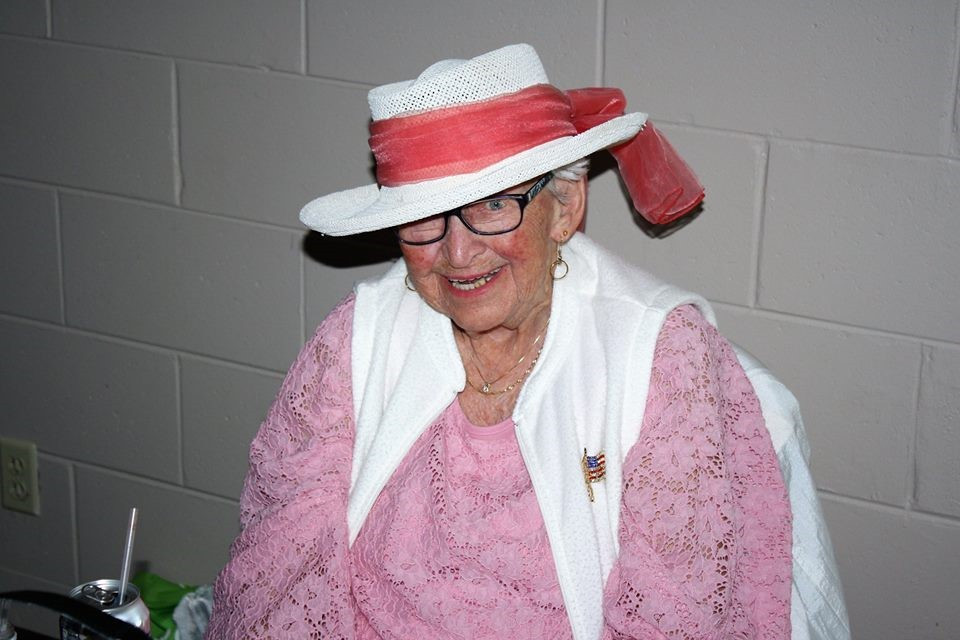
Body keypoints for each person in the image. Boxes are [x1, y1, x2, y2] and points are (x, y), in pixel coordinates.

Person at [206, 44, 849, 640]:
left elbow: (679, 614)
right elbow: (279, 574)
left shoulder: (661, 358)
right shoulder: (358, 337)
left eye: (492, 206)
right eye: (424, 219)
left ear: (564, 207)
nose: (458, 254)